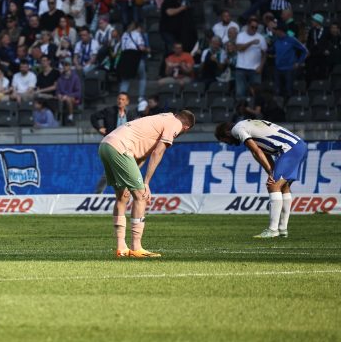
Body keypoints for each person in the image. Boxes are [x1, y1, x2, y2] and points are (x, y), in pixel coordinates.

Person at [98, 110, 196, 258]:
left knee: (122, 198)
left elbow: (142, 155)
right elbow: (158, 152)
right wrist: (146, 183)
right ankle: (136, 247)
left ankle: (121, 248)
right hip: (121, 147)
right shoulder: (175, 124)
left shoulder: (164, 117)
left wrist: (132, 180)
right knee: (141, 196)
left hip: (106, 144)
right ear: (186, 128)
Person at [215, 120, 308, 239]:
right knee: (283, 186)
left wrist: (271, 173)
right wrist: (271, 170)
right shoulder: (247, 126)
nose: (229, 144)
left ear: (226, 133)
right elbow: (262, 152)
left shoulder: (237, 130)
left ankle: (273, 230)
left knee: (273, 185)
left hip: (289, 149)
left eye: (225, 141)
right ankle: (283, 229)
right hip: (298, 146)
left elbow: (256, 151)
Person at [234, 16, 268, 99]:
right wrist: (251, 42)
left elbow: (264, 54)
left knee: (256, 93)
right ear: (248, 26)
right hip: (241, 68)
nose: (254, 29)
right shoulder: (240, 36)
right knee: (240, 92)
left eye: (256, 28)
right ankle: (241, 110)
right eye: (252, 27)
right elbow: (239, 48)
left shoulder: (261, 38)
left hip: (255, 69)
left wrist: (261, 67)